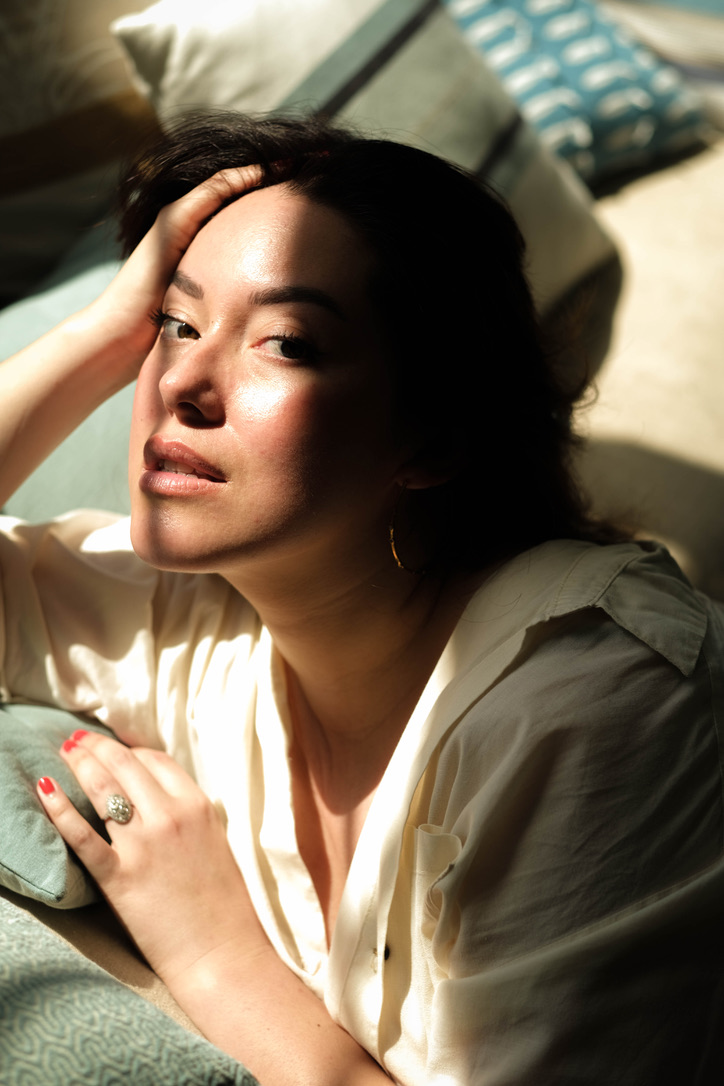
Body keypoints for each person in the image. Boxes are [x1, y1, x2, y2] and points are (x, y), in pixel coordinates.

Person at [1, 114, 722, 1085]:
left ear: (432, 435)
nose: (184, 382)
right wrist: (100, 333)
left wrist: (213, 952)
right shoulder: (196, 615)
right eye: (176, 325)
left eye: (287, 343)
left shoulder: (603, 708)